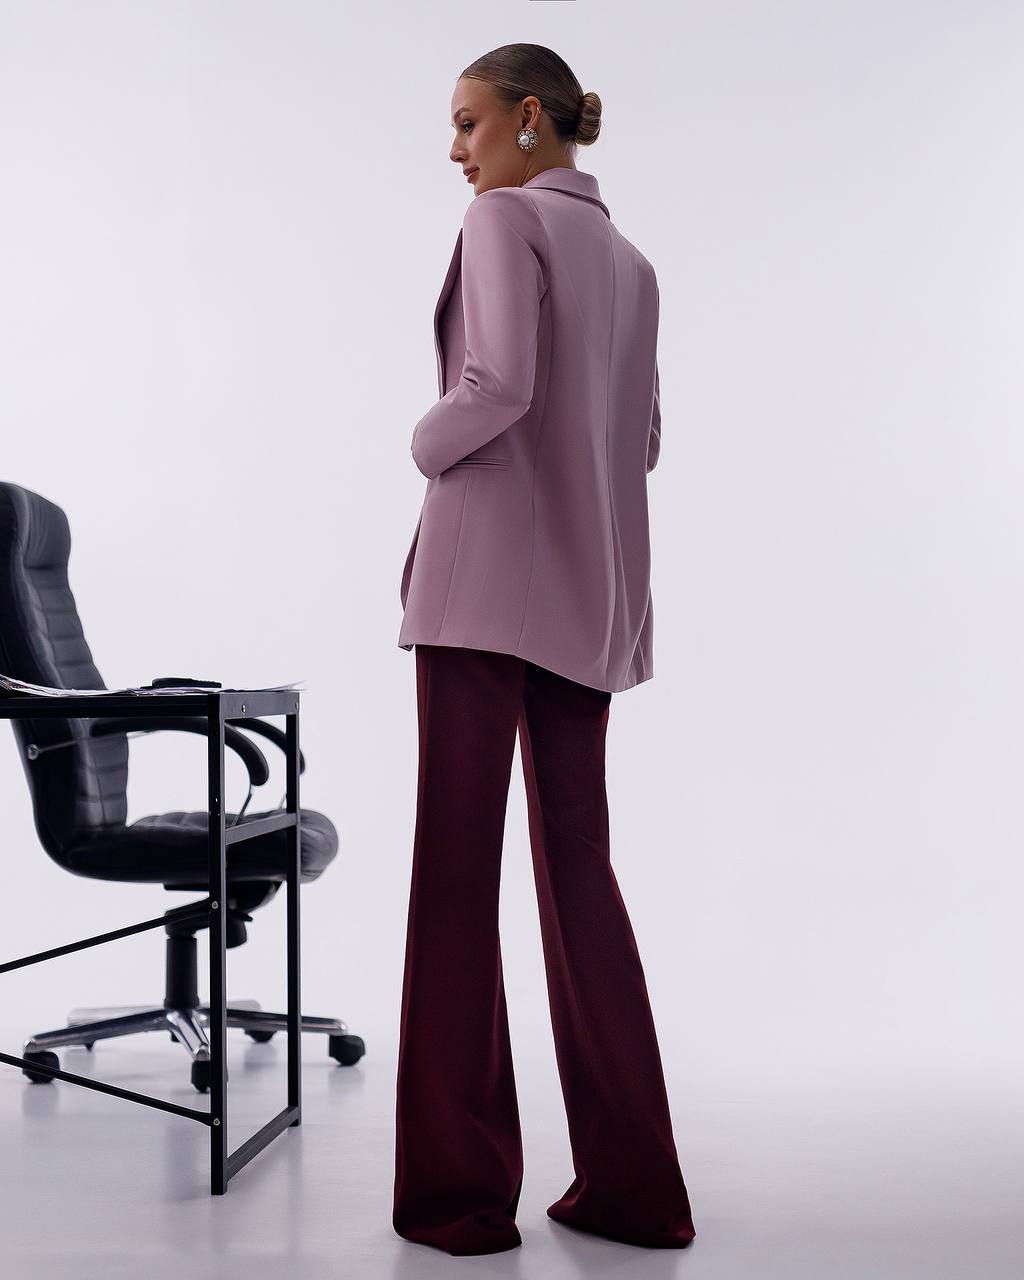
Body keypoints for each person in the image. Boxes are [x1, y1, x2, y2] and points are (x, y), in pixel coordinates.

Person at [392, 42, 696, 1257]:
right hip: (590, 602)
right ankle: (635, 1188)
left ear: (529, 119)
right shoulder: (633, 262)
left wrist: (423, 440)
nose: (456, 150)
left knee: (456, 880)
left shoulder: (502, 223)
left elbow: (495, 382)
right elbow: (647, 439)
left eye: (467, 123)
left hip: (478, 598)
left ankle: (461, 1198)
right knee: (582, 878)